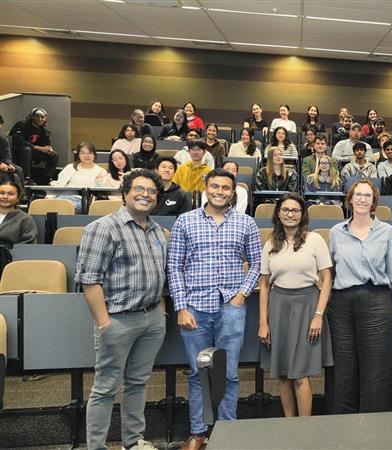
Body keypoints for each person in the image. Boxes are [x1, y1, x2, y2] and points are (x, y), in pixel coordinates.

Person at [167, 168, 261, 449]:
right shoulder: (185, 221)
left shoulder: (246, 223)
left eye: (226, 188)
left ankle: (227, 432)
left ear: (233, 193)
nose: (220, 192)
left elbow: (257, 263)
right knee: (197, 374)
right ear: (205, 189)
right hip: (194, 308)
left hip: (231, 308)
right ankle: (198, 433)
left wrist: (242, 295)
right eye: (215, 186)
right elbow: (174, 267)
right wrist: (181, 307)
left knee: (230, 374)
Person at [76, 169, 168, 450]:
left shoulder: (158, 231)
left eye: (151, 191)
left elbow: (161, 277)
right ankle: (96, 446)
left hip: (152, 319)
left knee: (138, 383)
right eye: (139, 189)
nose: (145, 195)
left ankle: (133, 441)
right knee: (105, 388)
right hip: (117, 320)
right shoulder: (104, 227)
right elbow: (89, 279)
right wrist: (104, 323)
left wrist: (161, 313)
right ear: (125, 193)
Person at [328, 179, 392, 413]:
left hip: (376, 302)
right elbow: (329, 272)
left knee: (377, 368)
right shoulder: (335, 233)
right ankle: (343, 422)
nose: (362, 199)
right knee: (343, 368)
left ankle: (374, 424)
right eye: (358, 195)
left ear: (374, 202)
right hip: (341, 304)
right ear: (350, 199)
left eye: (367, 196)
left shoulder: (387, 232)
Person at [258, 193, 333, 417]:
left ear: (302, 215)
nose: (290, 214)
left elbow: (327, 279)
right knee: (282, 373)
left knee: (300, 375)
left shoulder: (315, 240)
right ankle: (289, 426)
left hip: (307, 306)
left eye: (295, 210)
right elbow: (264, 285)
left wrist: (318, 315)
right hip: (279, 307)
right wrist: (263, 322)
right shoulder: (270, 243)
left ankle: (304, 429)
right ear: (278, 214)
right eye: (286, 210)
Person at [9, 107, 59, 184]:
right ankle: (26, 178)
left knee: (54, 155)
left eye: (42, 117)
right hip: (19, 151)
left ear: (45, 118)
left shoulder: (44, 129)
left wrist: (49, 148)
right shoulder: (21, 124)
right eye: (37, 116)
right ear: (32, 116)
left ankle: (47, 179)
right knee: (27, 149)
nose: (40, 119)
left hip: (33, 152)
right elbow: (18, 141)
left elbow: (46, 143)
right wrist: (38, 147)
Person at [54, 141, 108, 211]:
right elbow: (59, 183)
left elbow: (104, 192)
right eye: (82, 153)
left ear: (94, 155)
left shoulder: (101, 171)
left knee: (61, 207)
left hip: (83, 201)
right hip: (62, 197)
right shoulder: (70, 167)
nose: (86, 156)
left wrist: (99, 182)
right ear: (78, 155)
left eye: (89, 153)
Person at [0, 176, 37, 246]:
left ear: (18, 198)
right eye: (1, 193)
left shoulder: (25, 219)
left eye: (10, 194)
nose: (5, 197)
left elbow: (28, 246)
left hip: (11, 255)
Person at [0, 115, 25, 190]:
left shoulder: (3, 140)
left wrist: (9, 164)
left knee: (18, 169)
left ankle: (21, 196)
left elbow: (6, 156)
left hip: (3, 164)